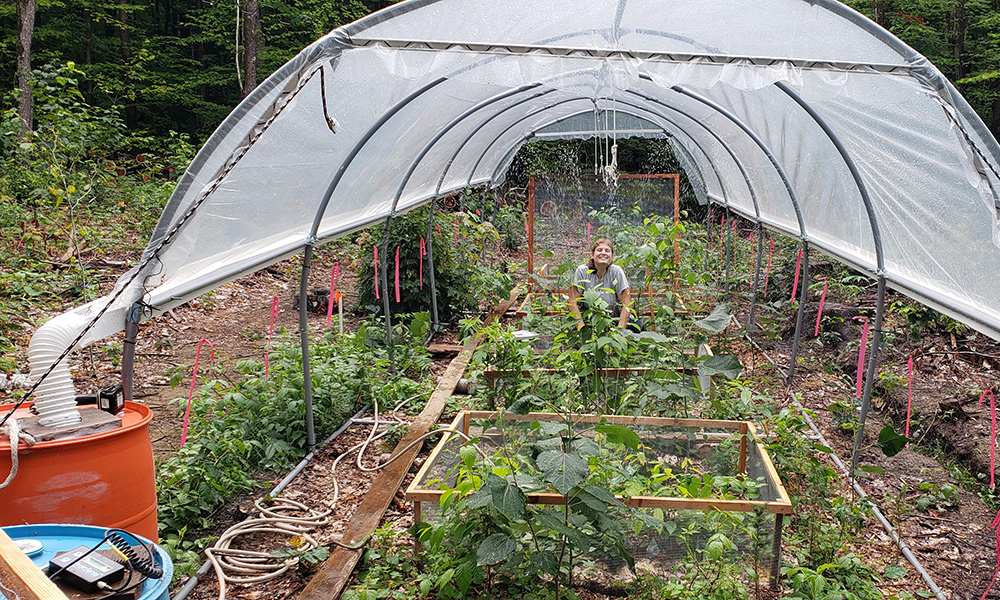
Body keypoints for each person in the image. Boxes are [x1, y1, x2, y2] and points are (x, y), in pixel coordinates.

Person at [568, 238, 635, 329]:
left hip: (613, 319)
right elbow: (572, 301)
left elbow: (626, 302)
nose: (603, 253)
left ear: (612, 256)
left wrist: (619, 330)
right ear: (592, 254)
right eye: (599, 250)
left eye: (607, 251)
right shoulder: (582, 271)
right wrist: (581, 328)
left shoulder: (616, 272)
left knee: (638, 328)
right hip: (588, 321)